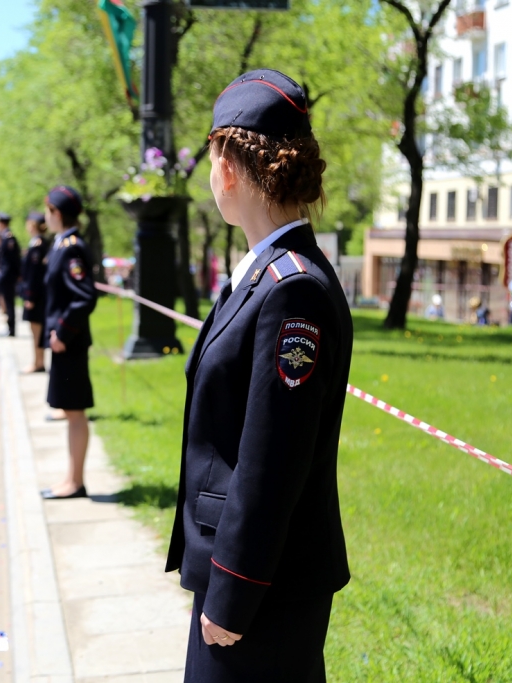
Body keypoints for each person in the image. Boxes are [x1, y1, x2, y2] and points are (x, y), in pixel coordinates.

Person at [165, 70, 353, 683]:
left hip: (264, 585)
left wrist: (232, 594)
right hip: (246, 571)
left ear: (226, 168)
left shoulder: (291, 288)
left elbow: (272, 463)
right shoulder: (265, 272)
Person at [40, 186, 97, 500]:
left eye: (48, 211)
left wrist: (61, 333)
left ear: (56, 212)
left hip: (69, 343)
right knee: (70, 411)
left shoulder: (71, 248)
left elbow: (84, 297)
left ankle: (75, 482)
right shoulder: (62, 244)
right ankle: (70, 478)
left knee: (75, 413)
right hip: (65, 342)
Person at [21, 211, 51, 373]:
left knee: (37, 331)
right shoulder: (37, 244)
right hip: (38, 296)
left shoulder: (38, 246)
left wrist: (30, 297)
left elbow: (34, 275)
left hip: (37, 297)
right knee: (35, 331)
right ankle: (38, 361)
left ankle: (38, 363)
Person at [0, 213, 21, 336]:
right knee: (7, 303)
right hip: (6, 276)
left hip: (8, 277)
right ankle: (10, 328)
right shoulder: (4, 237)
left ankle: (12, 330)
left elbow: (12, 260)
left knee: (9, 303)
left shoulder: (9, 238)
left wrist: (3, 275)